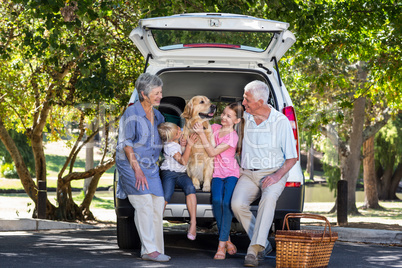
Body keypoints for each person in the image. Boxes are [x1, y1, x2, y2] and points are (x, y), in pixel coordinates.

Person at [231, 80, 298, 267]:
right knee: (237, 204)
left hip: (274, 172)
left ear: (260, 102)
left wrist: (277, 176)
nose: (243, 103)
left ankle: (254, 249)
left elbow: (292, 158)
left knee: (268, 200)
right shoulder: (245, 118)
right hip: (248, 174)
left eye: (247, 99)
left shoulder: (281, 122)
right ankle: (264, 243)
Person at [115, 73, 170, 262]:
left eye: (160, 92)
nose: (160, 96)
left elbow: (166, 136)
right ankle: (148, 250)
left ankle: (156, 249)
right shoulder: (131, 113)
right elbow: (126, 144)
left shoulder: (158, 114)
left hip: (150, 165)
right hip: (130, 164)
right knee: (144, 203)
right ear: (143, 94)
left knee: (157, 204)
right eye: (156, 93)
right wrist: (137, 170)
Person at [193, 102, 244, 260]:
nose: (224, 117)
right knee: (216, 201)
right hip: (216, 174)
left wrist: (202, 134)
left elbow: (213, 152)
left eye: (229, 116)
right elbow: (198, 124)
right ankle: (227, 239)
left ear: (236, 121)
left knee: (226, 204)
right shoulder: (214, 127)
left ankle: (221, 246)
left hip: (231, 174)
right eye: (223, 114)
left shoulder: (232, 137)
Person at [157, 122, 199, 241]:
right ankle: (156, 223)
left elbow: (182, 154)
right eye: (177, 132)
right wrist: (189, 146)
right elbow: (183, 161)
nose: (180, 131)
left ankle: (193, 223)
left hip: (181, 174)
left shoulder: (175, 143)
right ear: (171, 137)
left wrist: (183, 145)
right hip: (169, 173)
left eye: (179, 129)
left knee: (190, 188)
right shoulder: (169, 146)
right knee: (166, 194)